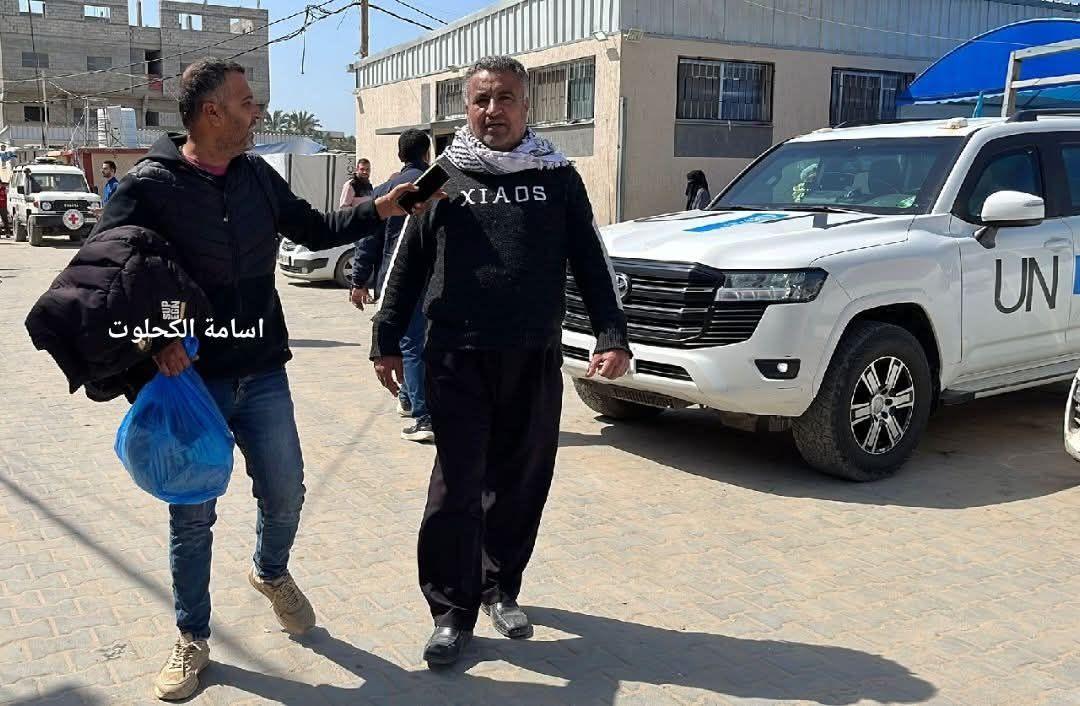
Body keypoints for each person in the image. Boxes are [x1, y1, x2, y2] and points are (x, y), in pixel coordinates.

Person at [93, 58, 437, 701]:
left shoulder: (255, 175)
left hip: (262, 372)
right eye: (247, 102)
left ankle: (270, 571)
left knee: (285, 494)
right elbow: (108, 270)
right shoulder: (149, 185)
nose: (258, 112)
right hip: (192, 384)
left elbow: (315, 228)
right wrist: (155, 337)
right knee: (192, 517)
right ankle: (192, 636)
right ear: (211, 112)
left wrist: (382, 207)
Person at [370, 55, 632, 668]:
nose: (493, 111)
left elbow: (589, 260)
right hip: (456, 357)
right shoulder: (441, 177)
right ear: (467, 107)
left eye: (505, 98)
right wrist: (386, 337)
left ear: (526, 105)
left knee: (519, 483)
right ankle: (449, 612)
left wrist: (611, 332)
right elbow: (407, 260)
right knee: (456, 488)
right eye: (482, 100)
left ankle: (499, 588)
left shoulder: (558, 177)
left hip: (532, 355)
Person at [349, 129, 433, 442]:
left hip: (395, 281)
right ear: (427, 153)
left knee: (409, 344)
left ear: (400, 155)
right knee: (420, 344)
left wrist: (359, 280)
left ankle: (423, 416)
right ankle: (411, 399)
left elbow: (368, 239)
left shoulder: (385, 190)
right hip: (434, 281)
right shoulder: (436, 185)